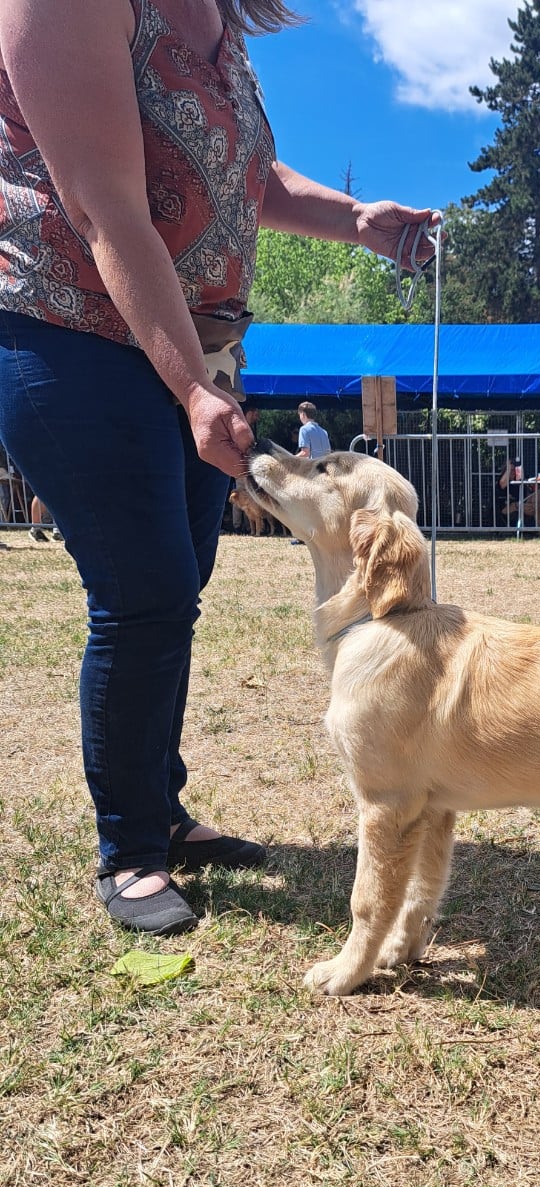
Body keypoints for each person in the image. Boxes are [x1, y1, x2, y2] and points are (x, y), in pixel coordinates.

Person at [0, 0, 440, 937]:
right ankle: (130, 850)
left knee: (179, 584)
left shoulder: (217, 24)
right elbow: (103, 201)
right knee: (145, 593)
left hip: (202, 353)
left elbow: (247, 176)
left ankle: (160, 808)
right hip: (75, 336)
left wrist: (357, 219)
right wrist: (193, 388)